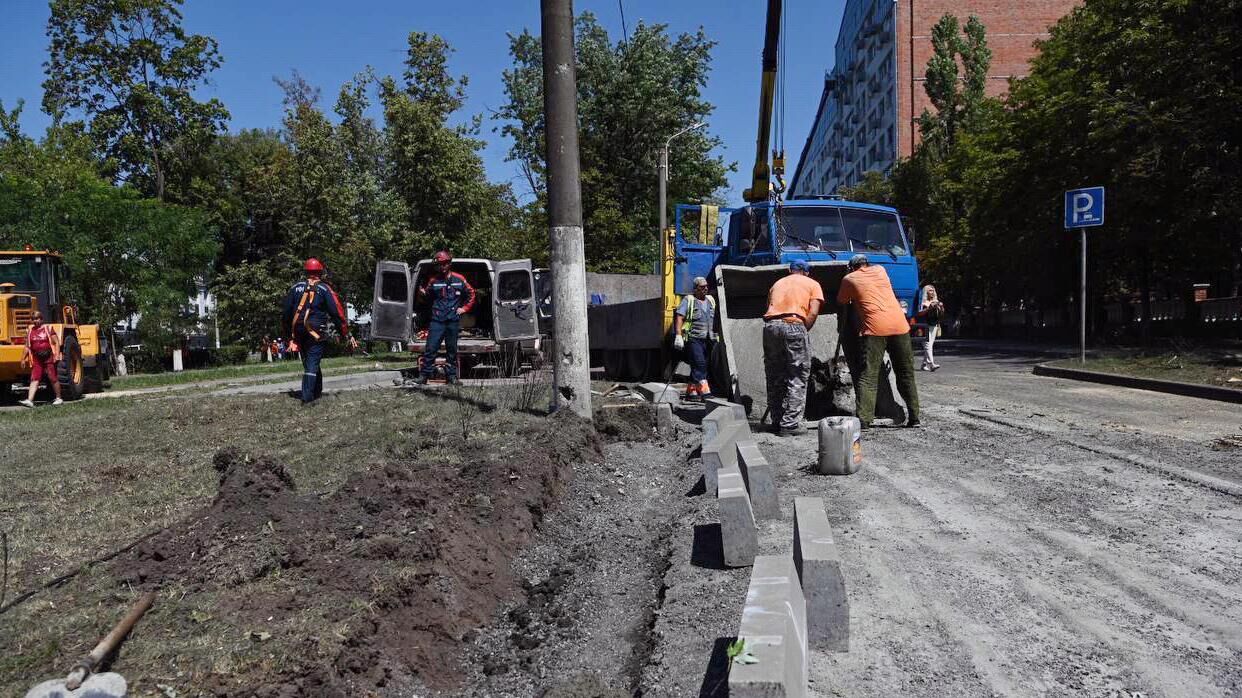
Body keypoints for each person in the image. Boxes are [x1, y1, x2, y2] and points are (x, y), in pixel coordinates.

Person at [837, 254, 921, 428]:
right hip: (900, 326)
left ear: (852, 267)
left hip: (875, 329)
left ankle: (865, 420)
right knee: (906, 373)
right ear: (867, 263)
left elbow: (841, 301)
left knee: (868, 375)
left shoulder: (849, 278)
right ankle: (914, 417)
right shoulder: (881, 270)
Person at [762, 259, 825, 436]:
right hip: (794, 323)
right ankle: (790, 424)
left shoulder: (777, 284)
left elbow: (768, 307)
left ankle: (777, 420)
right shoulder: (813, 284)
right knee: (797, 375)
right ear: (806, 272)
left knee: (774, 375)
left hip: (770, 327)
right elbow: (813, 312)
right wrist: (802, 331)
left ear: (790, 270)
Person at [282, 258, 357, 404]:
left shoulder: (295, 288)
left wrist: (288, 335)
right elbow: (337, 312)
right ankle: (307, 398)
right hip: (316, 331)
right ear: (320, 272)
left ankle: (317, 391)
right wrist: (345, 333)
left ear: (306, 272)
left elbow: (286, 313)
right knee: (312, 362)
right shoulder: (324, 289)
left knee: (311, 361)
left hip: (298, 331)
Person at [413, 250, 476, 385]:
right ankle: (423, 376)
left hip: (453, 321)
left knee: (452, 350)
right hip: (437, 321)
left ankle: (451, 377)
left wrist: (464, 309)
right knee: (430, 348)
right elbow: (427, 297)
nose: (441, 267)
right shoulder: (433, 281)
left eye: (444, 264)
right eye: (439, 265)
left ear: (449, 264)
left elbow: (471, 293)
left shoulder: (460, 279)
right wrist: (422, 293)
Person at [673, 276, 716, 400]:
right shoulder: (689, 300)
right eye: (702, 287)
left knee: (703, 364)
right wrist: (678, 335)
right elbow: (680, 317)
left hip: (709, 338)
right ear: (696, 289)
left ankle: (691, 391)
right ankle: (705, 390)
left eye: (706, 286)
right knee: (700, 363)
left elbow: (716, 318)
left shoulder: (710, 300)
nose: (705, 289)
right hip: (694, 338)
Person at [19, 310, 64, 407]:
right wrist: (23, 359)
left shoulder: (48, 328)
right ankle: (30, 400)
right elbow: (27, 346)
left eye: (37, 319)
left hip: (48, 356)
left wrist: (56, 355)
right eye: (34, 319)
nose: (36, 321)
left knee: (52, 377)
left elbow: (56, 342)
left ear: (41, 319)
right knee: (35, 378)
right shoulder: (30, 331)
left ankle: (59, 398)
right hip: (36, 358)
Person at [919, 285, 945, 371]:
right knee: (928, 345)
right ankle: (932, 364)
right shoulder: (922, 302)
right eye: (930, 290)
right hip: (924, 325)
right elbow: (919, 314)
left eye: (933, 290)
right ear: (926, 292)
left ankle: (923, 364)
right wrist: (929, 308)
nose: (932, 292)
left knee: (930, 345)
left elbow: (941, 315)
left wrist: (941, 308)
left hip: (934, 325)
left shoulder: (936, 301)